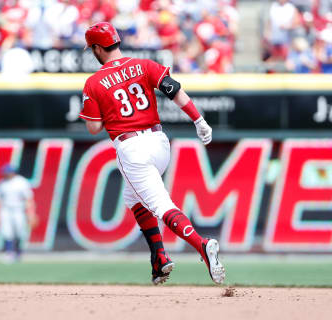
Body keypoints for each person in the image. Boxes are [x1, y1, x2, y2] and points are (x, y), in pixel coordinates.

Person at [79, 22, 225, 285]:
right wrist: (199, 120)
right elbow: (173, 89)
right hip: (159, 143)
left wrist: (106, 112)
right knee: (133, 198)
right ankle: (159, 259)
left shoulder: (94, 82)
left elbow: (92, 128)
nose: (93, 52)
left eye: (92, 48)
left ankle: (202, 245)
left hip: (132, 147)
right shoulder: (144, 65)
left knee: (160, 205)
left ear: (98, 48)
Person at [0, 164, 38, 263]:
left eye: (7, 172)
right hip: (5, 209)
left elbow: (29, 198)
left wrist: (31, 214)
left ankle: (19, 252)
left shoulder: (21, 182)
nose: (5, 174)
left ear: (12, 172)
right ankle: (9, 253)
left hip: (18, 209)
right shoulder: (2, 183)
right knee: (6, 231)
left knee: (20, 231)